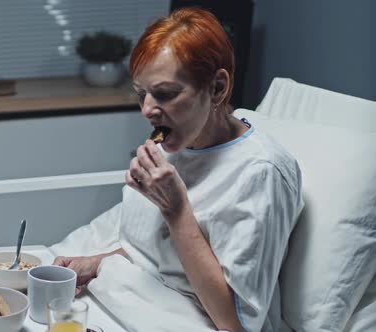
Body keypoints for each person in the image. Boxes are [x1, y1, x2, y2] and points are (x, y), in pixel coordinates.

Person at [52, 7, 303, 332]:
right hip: (125, 301)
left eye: (165, 94)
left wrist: (176, 209)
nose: (147, 110)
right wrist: (95, 262)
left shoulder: (261, 172)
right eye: (142, 94)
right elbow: (154, 255)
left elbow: (235, 322)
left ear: (217, 88)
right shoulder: (169, 148)